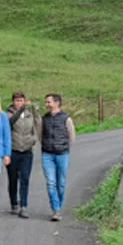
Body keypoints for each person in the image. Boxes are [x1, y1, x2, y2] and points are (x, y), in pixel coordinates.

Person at [40, 93, 75, 222]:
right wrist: (45, 145)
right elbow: (40, 134)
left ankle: (58, 205)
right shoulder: (44, 119)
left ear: (57, 103)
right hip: (47, 154)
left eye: (49, 102)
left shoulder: (66, 118)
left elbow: (71, 136)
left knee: (61, 183)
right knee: (51, 182)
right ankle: (56, 209)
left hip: (62, 154)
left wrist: (65, 148)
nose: (47, 105)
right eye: (46, 102)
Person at [4, 91, 39, 219]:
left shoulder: (29, 115)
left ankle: (24, 206)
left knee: (25, 178)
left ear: (25, 101)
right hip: (13, 150)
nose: (18, 103)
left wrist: (33, 139)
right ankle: (14, 203)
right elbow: (10, 122)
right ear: (13, 102)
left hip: (27, 151)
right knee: (13, 179)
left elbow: (37, 126)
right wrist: (20, 110)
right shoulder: (8, 114)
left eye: (21, 101)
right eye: (16, 101)